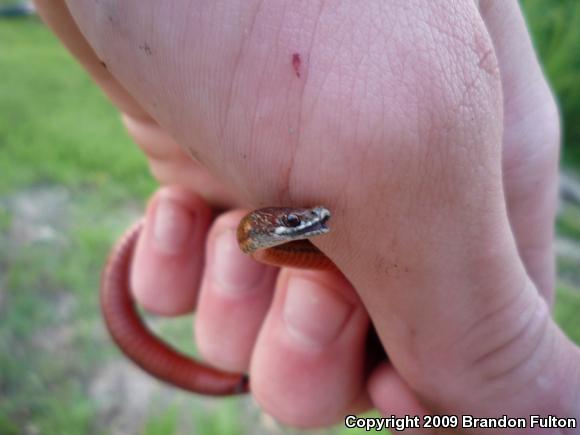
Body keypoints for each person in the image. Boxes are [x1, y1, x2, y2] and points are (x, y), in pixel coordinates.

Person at [34, 0, 579, 431]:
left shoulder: (295, 229)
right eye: (296, 223)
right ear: (276, 227)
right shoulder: (265, 229)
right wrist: (519, 387)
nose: (310, 221)